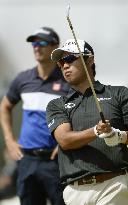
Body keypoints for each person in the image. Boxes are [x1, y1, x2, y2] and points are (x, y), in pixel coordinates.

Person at [46, 38, 128, 205]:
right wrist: (96, 131)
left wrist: (119, 136)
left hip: (113, 185)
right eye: (60, 62)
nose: (64, 65)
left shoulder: (119, 94)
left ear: (89, 59)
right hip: (75, 191)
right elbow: (65, 140)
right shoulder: (57, 104)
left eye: (70, 59)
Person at [0, 27, 69, 205]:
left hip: (57, 161)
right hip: (27, 160)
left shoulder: (67, 80)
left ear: (55, 47)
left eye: (42, 42)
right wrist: (9, 140)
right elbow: (5, 106)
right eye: (34, 43)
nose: (36, 47)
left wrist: (66, 143)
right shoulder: (23, 79)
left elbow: (82, 113)